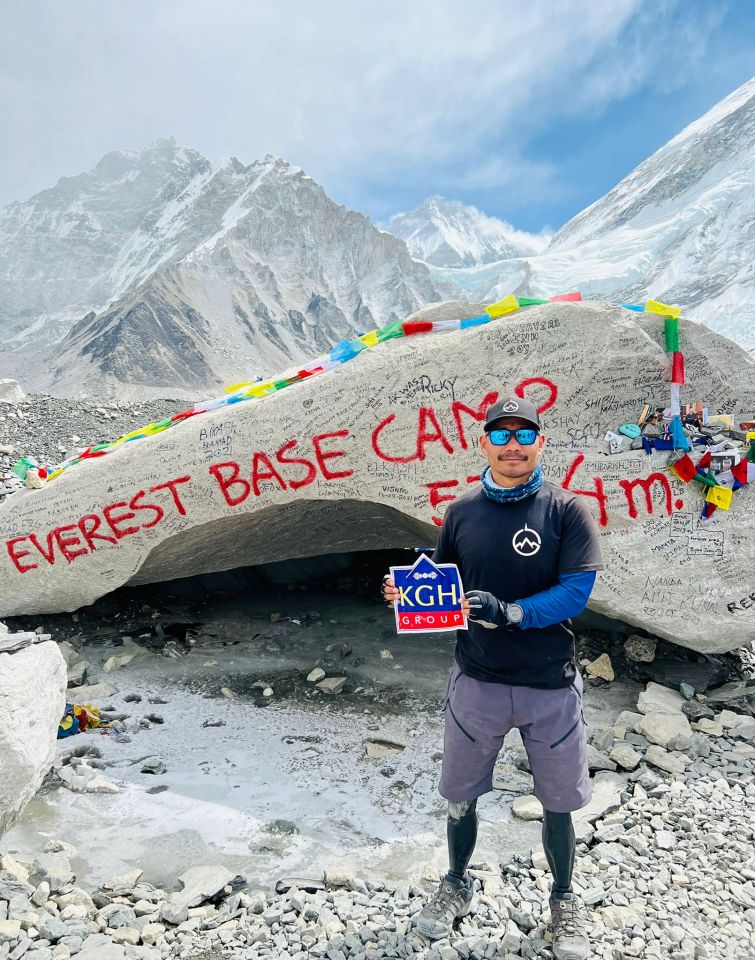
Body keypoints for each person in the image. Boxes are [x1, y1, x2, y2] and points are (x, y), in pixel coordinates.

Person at [382, 395, 603, 960]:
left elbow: (577, 591)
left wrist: (510, 612)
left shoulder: (566, 510)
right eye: (500, 436)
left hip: (548, 683)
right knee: (459, 795)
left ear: (540, 443)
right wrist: (409, 595)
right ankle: (456, 882)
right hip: (476, 680)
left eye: (523, 435)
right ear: (482, 443)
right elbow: (447, 592)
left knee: (558, 802)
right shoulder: (461, 513)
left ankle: (563, 899)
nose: (512, 446)